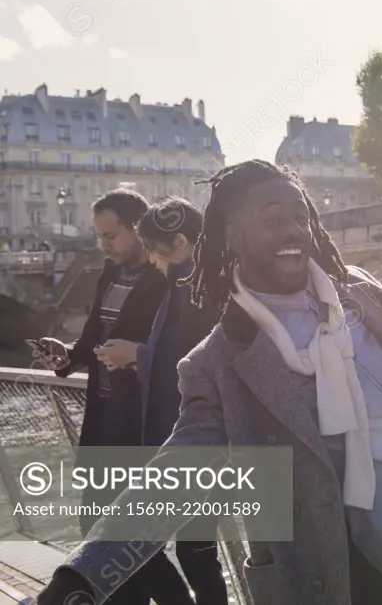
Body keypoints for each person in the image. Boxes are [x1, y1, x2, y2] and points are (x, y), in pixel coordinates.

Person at [37, 159, 382, 605]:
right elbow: (177, 474)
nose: (295, 229)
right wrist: (82, 577)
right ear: (232, 235)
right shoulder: (221, 360)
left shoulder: (363, 295)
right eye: (274, 217)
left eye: (301, 215)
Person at [33, 188, 195, 605]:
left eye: (110, 235)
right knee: (97, 525)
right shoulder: (108, 272)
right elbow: (93, 340)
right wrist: (66, 356)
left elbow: (184, 351)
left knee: (132, 536)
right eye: (99, 236)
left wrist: (138, 354)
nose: (103, 245)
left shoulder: (167, 278)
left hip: (139, 423)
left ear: (138, 230)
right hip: (103, 417)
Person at [94, 196, 229, 605]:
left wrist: (139, 354)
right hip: (195, 445)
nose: (152, 260)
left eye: (155, 249)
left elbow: (202, 358)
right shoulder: (191, 283)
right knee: (196, 551)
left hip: (186, 444)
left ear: (182, 243)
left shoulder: (196, 290)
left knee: (135, 541)